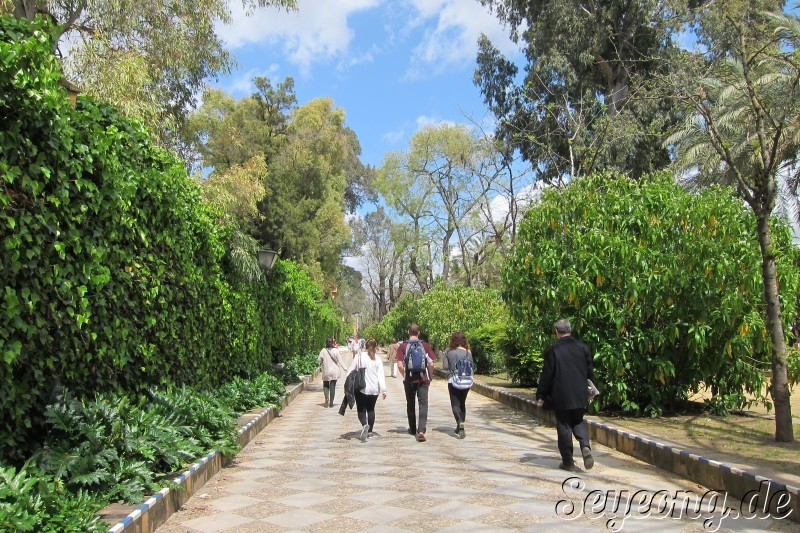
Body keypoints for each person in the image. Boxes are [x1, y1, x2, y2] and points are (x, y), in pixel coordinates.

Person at [536, 319, 597, 471]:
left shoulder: (553, 350)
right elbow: (590, 372)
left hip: (561, 395)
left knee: (564, 426)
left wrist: (541, 394)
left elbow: (547, 375)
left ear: (557, 332)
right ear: (570, 329)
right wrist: (591, 389)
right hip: (579, 393)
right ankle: (585, 446)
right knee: (578, 420)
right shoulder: (582, 347)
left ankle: (568, 462)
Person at [396, 324, 436, 442]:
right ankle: (421, 430)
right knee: (423, 404)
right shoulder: (425, 345)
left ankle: (412, 428)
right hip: (423, 379)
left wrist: (404, 375)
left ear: (408, 332)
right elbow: (432, 364)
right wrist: (430, 376)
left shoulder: (403, 345)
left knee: (410, 403)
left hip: (409, 379)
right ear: (419, 333)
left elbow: (399, 365)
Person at [346, 338, 387, 441]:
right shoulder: (378, 359)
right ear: (376, 347)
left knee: (361, 409)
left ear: (365, 346)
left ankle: (365, 425)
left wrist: (348, 383)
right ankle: (370, 431)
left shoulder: (359, 357)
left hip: (362, 388)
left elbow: (350, 370)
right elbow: (381, 376)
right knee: (371, 409)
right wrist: (384, 390)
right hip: (374, 390)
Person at [441, 331, 474, 439]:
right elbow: (472, 366)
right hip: (466, 381)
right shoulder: (468, 352)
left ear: (453, 340)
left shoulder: (448, 351)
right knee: (462, 403)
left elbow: (445, 367)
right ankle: (460, 425)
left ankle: (460, 423)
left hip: (453, 380)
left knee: (455, 403)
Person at [318, 338, 347, 408]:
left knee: (325, 385)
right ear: (333, 343)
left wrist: (322, 363)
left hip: (326, 371)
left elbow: (319, 361)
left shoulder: (323, 351)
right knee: (332, 386)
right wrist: (345, 368)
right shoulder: (335, 351)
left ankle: (326, 398)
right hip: (334, 371)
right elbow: (340, 361)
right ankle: (331, 403)